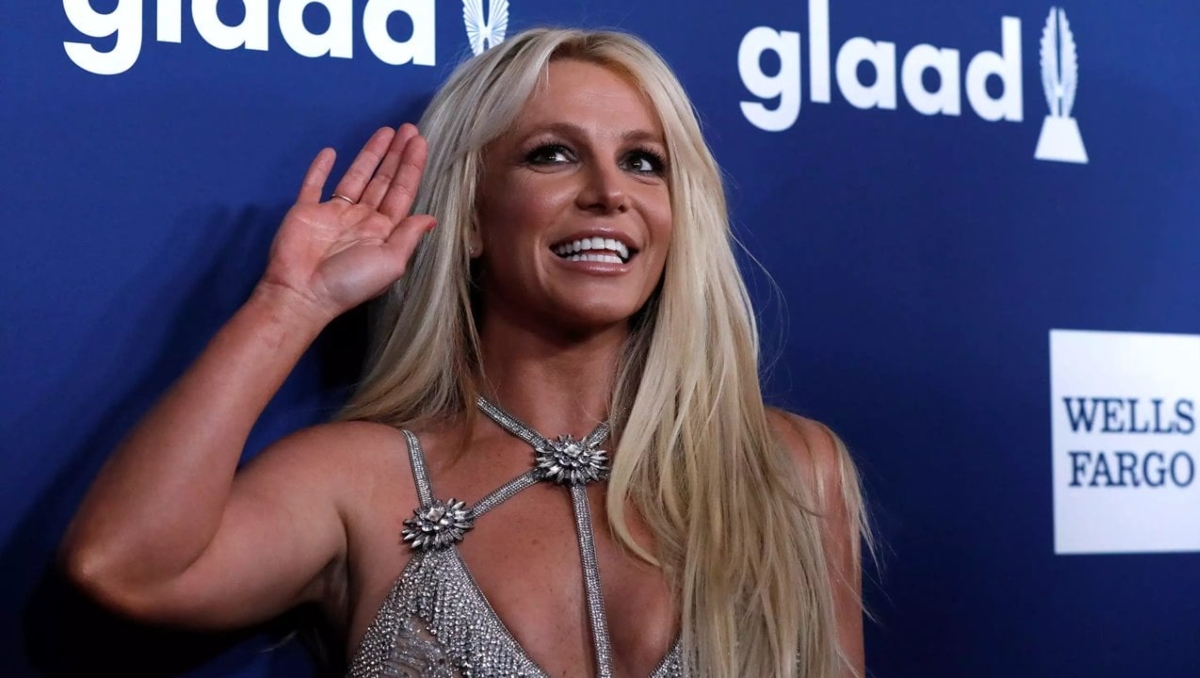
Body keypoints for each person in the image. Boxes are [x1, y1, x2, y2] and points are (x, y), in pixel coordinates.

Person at [61, 27, 869, 678]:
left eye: (643, 162)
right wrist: (290, 305)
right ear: (471, 218)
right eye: (552, 154)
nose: (609, 192)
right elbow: (124, 567)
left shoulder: (791, 470)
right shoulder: (360, 481)